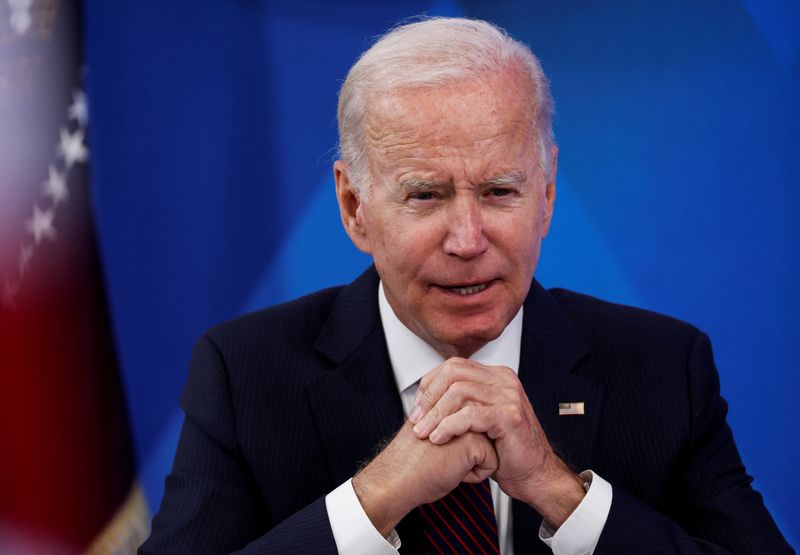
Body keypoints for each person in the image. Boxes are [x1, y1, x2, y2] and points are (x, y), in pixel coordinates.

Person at [140, 17, 792, 555]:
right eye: (425, 194)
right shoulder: (246, 372)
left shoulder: (662, 367)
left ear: (547, 192)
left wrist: (560, 491)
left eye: (499, 191)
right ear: (353, 205)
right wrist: (376, 498)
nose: (468, 239)